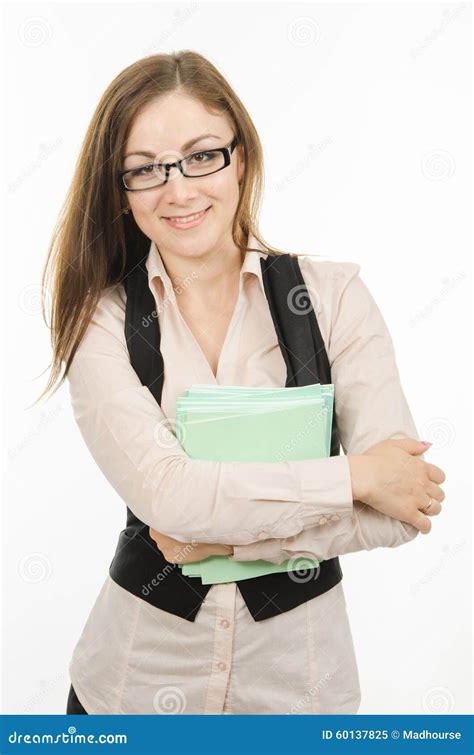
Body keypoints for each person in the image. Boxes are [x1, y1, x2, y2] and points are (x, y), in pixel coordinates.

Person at [38, 51, 446, 715]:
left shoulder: (335, 298)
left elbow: (402, 503)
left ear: (242, 157)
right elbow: (170, 495)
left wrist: (225, 540)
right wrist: (352, 477)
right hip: (132, 693)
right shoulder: (102, 323)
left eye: (202, 156)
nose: (178, 189)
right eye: (145, 169)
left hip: (300, 694)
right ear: (119, 190)